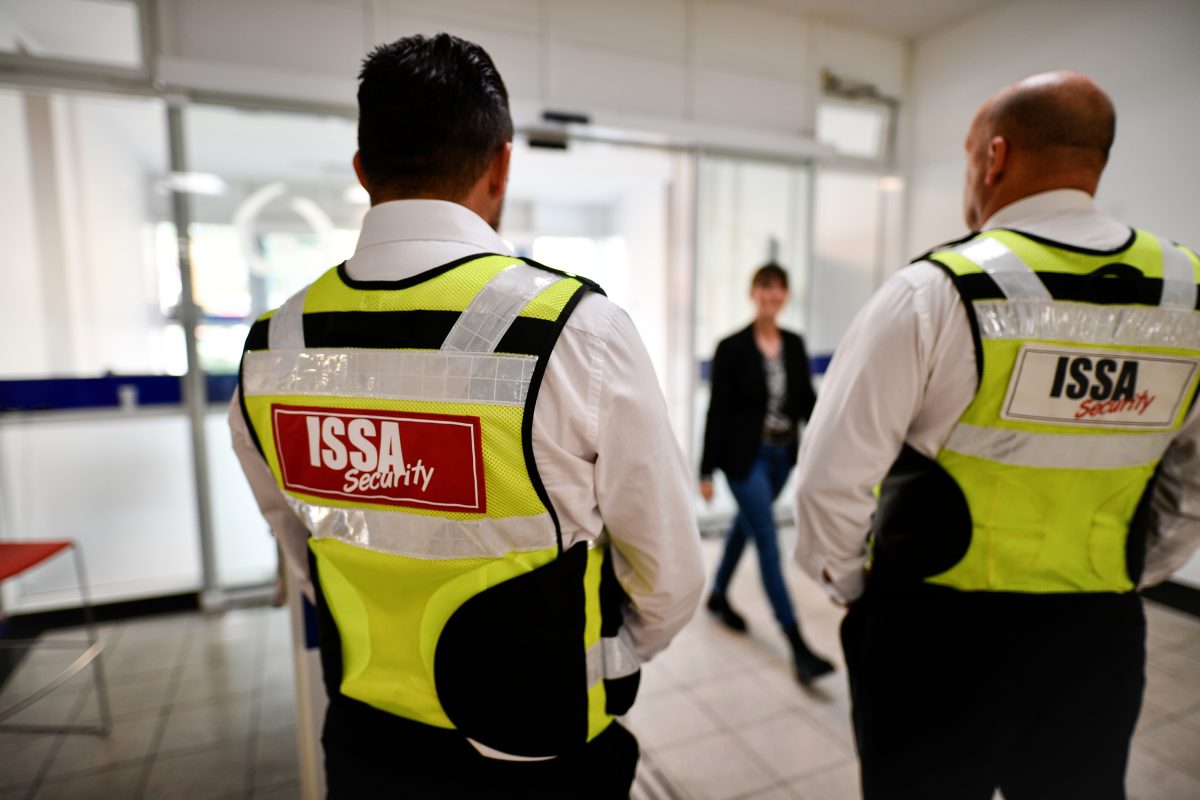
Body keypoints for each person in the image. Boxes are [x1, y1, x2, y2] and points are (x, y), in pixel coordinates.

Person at [228, 33, 705, 799]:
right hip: (536, 744)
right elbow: (670, 575)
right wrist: (590, 655)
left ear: (363, 171)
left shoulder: (272, 346)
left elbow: (297, 539)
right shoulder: (574, 333)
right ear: (502, 162)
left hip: (366, 738)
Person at [792, 70, 1200, 799]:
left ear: (996, 157)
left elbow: (830, 477)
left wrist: (860, 591)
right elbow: (1193, 485)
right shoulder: (1187, 295)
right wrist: (1125, 577)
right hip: (1095, 637)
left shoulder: (937, 292)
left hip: (933, 636)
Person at [699, 263, 834, 685]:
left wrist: (829, 442)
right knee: (769, 540)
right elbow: (717, 410)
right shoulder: (732, 347)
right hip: (745, 459)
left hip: (781, 457)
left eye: (779, 289)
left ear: (786, 295)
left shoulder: (793, 344)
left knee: (746, 526)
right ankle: (797, 644)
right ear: (753, 292)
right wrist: (704, 469)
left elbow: (806, 403)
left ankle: (718, 596)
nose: (772, 296)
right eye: (764, 288)